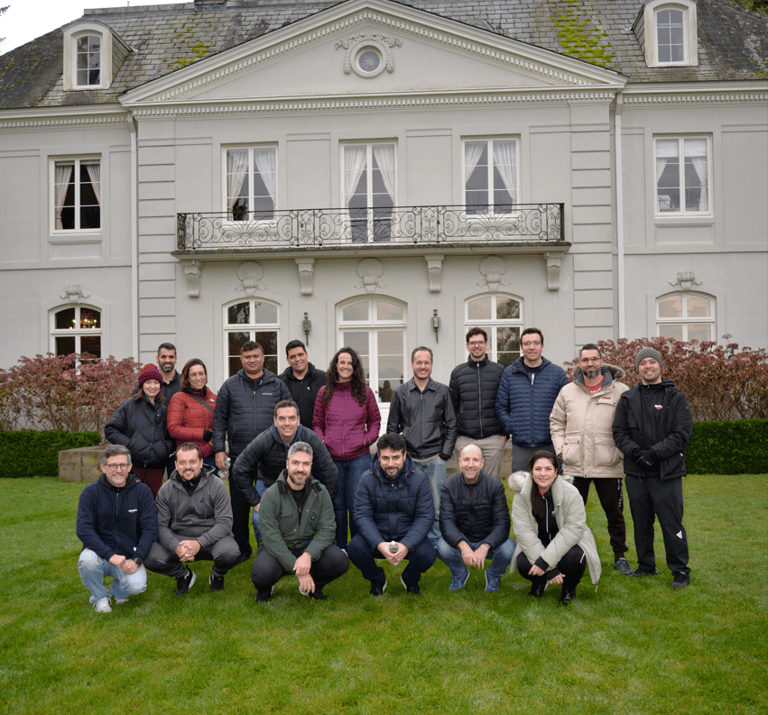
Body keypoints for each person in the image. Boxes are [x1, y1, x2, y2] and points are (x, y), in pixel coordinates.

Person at [549, 343, 634, 576]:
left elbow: (630, 426)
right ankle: (567, 553)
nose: (590, 364)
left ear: (601, 361)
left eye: (594, 359)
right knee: (569, 514)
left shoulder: (620, 390)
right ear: (579, 363)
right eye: (585, 360)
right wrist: (561, 449)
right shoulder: (567, 392)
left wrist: (620, 452)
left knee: (614, 513)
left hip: (609, 464)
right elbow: (556, 422)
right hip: (575, 465)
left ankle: (620, 556)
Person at [612, 347, 693, 588]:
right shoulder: (628, 398)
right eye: (643, 363)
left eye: (652, 362)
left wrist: (654, 454)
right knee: (641, 522)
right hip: (637, 473)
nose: (648, 366)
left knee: (671, 522)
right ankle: (646, 565)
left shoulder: (675, 397)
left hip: (666, 473)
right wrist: (637, 453)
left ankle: (680, 570)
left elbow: (681, 433)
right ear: (637, 369)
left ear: (660, 366)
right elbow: (619, 432)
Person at [213, 341, 291, 563]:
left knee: (275, 505)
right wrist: (219, 449)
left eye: (256, 356)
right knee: (239, 506)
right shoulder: (230, 386)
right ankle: (242, 549)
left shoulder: (277, 385)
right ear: (241, 359)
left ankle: (277, 546)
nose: (252, 360)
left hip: (271, 458)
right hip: (240, 457)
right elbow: (219, 420)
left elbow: (290, 416)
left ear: (263, 357)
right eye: (247, 357)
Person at [252, 442, 349, 602]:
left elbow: (328, 529)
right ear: (287, 464)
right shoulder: (270, 495)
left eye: (305, 464)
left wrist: (308, 554)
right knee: (262, 572)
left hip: (308, 547)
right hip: (278, 548)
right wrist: (299, 569)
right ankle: (264, 588)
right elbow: (270, 537)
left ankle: (313, 586)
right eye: (295, 463)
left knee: (340, 560)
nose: (300, 469)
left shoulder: (321, 492)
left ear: (311, 466)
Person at [232, 400, 338, 544]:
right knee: (258, 519)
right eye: (282, 418)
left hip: (303, 485)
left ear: (298, 420)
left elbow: (330, 471)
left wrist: (324, 501)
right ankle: (267, 556)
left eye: (292, 418)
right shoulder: (264, 440)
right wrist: (256, 502)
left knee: (311, 518)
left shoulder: (310, 438)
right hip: (269, 483)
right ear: (275, 421)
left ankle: (306, 553)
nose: (287, 423)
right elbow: (239, 468)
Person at [347, 433, 435, 596]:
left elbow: (425, 516)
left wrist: (406, 544)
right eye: (385, 458)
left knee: (427, 554)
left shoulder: (420, 479)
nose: (391, 463)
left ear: (404, 455)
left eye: (395, 457)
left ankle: (410, 579)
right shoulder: (366, 479)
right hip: (378, 535)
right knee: (354, 548)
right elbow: (362, 515)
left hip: (407, 534)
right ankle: (377, 578)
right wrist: (379, 544)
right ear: (378, 456)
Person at [145, 442, 239, 594]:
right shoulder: (166, 489)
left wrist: (199, 542)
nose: (187, 467)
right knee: (150, 556)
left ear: (201, 463)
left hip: (211, 539)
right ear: (175, 464)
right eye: (182, 462)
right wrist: (176, 546)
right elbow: (160, 525)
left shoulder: (217, 486)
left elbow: (225, 523)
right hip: (179, 538)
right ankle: (184, 575)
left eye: (192, 462)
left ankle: (217, 575)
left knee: (230, 551)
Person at [387, 346, 457, 547]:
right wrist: (399, 456)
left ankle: (435, 541)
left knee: (436, 504)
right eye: (419, 362)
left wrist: (444, 454)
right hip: (409, 459)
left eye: (427, 362)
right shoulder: (400, 392)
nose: (423, 366)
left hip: (435, 458)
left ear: (431, 365)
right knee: (409, 503)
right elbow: (392, 427)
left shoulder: (443, 391)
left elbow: (451, 424)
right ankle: (412, 541)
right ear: (412, 365)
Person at [511, 451, 601, 605]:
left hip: (569, 543)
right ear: (531, 471)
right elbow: (523, 532)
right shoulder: (522, 495)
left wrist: (545, 562)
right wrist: (550, 570)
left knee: (574, 558)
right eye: (538, 469)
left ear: (556, 472)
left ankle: (568, 588)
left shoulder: (571, 493)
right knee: (524, 563)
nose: (543, 474)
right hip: (540, 542)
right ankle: (540, 581)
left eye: (548, 469)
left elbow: (573, 530)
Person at [75, 445, 158, 613]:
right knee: (87, 560)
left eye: (122, 465)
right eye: (112, 465)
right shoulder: (90, 493)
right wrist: (110, 555)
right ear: (103, 467)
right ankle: (100, 596)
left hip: (129, 557)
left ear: (129, 467)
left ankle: (119, 591)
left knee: (137, 585)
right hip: (100, 554)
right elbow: (84, 530)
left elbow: (151, 529)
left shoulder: (142, 491)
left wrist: (137, 559)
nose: (118, 470)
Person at [312, 347, 381, 549]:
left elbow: (375, 422)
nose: (345, 366)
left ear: (355, 367)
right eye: (341, 362)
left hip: (359, 458)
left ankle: (359, 547)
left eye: (349, 363)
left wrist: (365, 440)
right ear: (335, 365)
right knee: (337, 505)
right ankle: (339, 547)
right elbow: (316, 423)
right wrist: (322, 441)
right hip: (332, 458)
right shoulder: (324, 392)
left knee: (357, 505)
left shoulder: (365, 392)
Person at [437, 444, 514, 592]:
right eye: (466, 460)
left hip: (488, 538)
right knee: (442, 547)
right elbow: (446, 522)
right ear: (459, 462)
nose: (470, 465)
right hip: (462, 537)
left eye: (475, 460)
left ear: (482, 463)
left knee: (508, 549)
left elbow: (503, 523)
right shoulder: (448, 486)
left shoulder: (495, 485)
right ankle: (459, 573)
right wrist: (463, 546)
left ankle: (493, 574)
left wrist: (485, 546)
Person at [495, 327, 568, 471]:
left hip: (551, 442)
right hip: (521, 445)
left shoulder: (557, 373)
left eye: (535, 343)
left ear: (542, 346)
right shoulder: (509, 373)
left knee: (552, 488)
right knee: (522, 488)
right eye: (527, 343)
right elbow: (500, 406)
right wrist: (512, 426)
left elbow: (567, 406)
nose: (531, 347)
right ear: (521, 347)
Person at [105, 363, 174, 499]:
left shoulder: (164, 409)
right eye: (148, 382)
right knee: (132, 501)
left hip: (157, 466)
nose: (152, 386)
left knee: (153, 502)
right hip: (134, 466)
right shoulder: (129, 405)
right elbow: (110, 429)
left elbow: (170, 435)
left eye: (156, 382)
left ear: (160, 385)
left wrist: (165, 449)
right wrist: (130, 445)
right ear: (142, 384)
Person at [449, 328, 507, 479]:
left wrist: (504, 435)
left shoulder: (499, 370)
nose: (477, 346)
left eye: (480, 342)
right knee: (466, 483)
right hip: (465, 439)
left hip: (493, 439)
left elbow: (507, 403)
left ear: (487, 344)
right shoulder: (458, 373)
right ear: (467, 345)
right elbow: (451, 407)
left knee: (490, 484)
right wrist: (455, 437)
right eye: (473, 342)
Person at [167, 358, 217, 475]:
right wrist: (203, 434)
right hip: (187, 460)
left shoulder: (214, 398)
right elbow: (173, 429)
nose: (198, 378)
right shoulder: (179, 398)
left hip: (209, 458)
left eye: (201, 373)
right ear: (187, 378)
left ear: (206, 375)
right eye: (193, 375)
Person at [278, 340, 326, 429]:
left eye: (300, 355)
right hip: (289, 436)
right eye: (293, 357)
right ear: (287, 360)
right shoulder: (280, 382)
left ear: (306, 355)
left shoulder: (324, 378)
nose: (297, 359)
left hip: (318, 436)